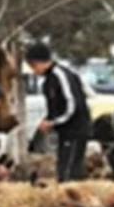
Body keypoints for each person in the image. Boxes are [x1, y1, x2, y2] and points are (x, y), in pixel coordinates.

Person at [25, 43, 91, 182]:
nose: (33, 71)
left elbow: (72, 104)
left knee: (68, 172)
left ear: (38, 62)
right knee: (65, 168)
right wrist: (49, 121)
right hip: (64, 131)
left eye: (33, 66)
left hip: (75, 129)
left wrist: (53, 123)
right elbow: (55, 107)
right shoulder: (48, 81)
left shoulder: (60, 75)